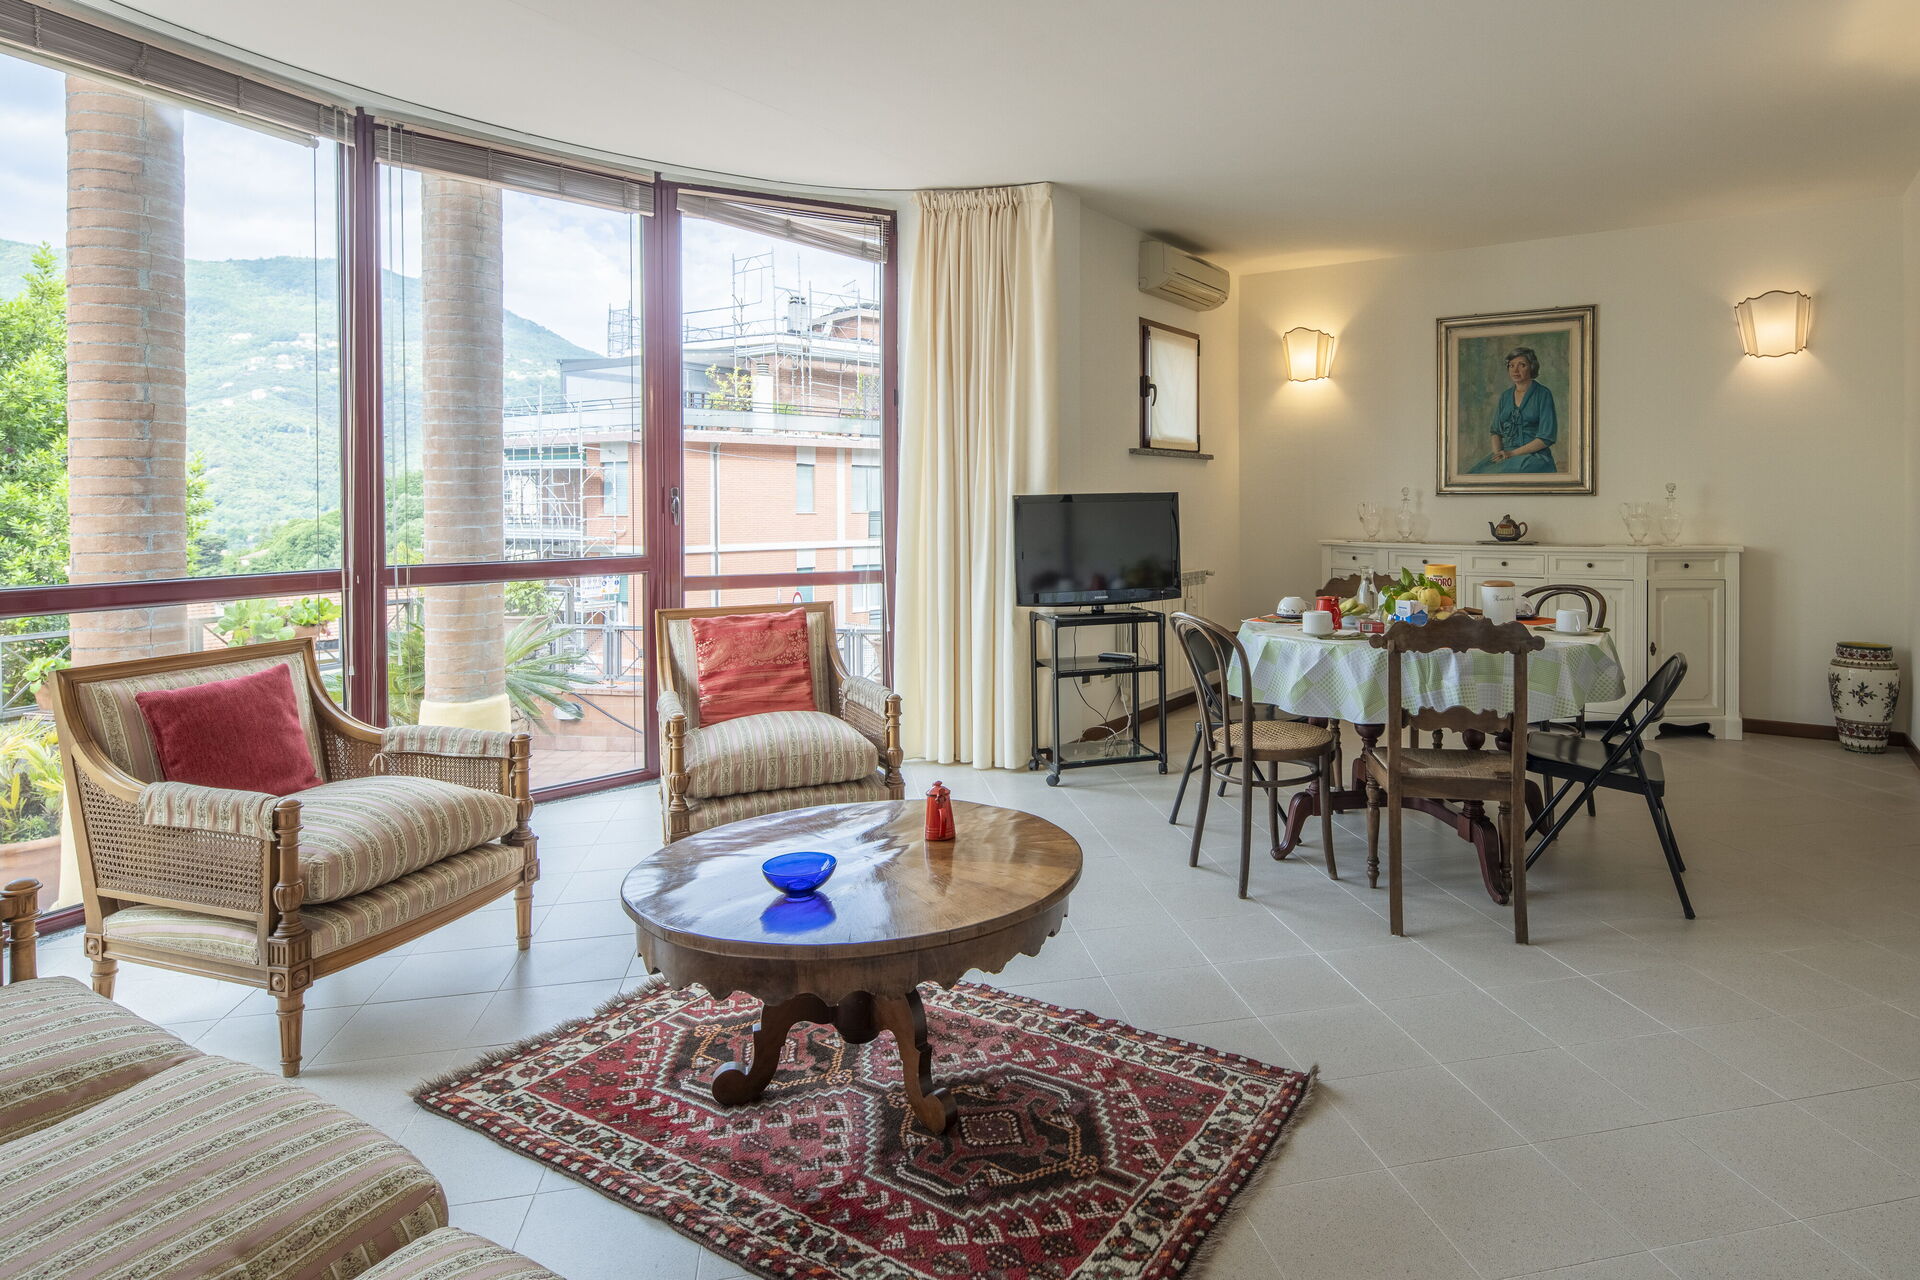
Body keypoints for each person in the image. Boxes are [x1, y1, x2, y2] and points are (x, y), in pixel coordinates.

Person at [1470, 346, 1557, 473]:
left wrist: (1512, 454)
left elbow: (1546, 438)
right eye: (1511, 366)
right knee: (1475, 474)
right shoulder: (1505, 396)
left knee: (1500, 474)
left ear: (1532, 367)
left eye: (1522, 365)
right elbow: (1495, 431)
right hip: (1506, 455)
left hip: (1534, 456)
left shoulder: (1543, 394)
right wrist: (1498, 454)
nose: (1515, 370)